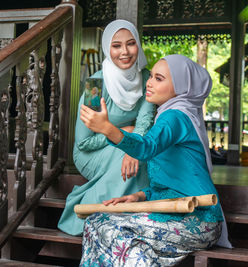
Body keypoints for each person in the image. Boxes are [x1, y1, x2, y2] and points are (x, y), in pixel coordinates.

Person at [79, 54, 231, 266]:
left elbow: (145, 147)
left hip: (199, 219)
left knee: (111, 229)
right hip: (174, 212)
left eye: (159, 79)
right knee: (99, 223)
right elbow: (171, 182)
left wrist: (107, 128)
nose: (149, 83)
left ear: (180, 86)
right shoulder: (169, 115)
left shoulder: (176, 116)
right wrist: (140, 196)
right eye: (150, 76)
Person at [57, 19, 155, 236]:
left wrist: (131, 144)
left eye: (131, 43)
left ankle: (128, 217)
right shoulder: (96, 86)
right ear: (107, 49)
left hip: (128, 145)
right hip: (90, 153)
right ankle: (90, 216)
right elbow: (84, 142)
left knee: (146, 157)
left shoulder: (147, 77)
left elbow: (144, 121)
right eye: (116, 45)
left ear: (138, 45)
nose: (125, 52)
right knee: (126, 158)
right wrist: (121, 135)